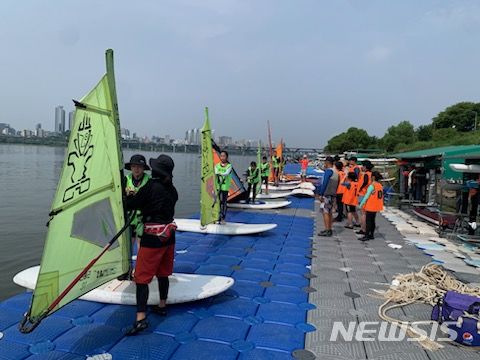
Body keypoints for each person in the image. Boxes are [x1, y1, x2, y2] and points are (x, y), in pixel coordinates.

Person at [125, 154, 178, 335]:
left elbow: (130, 204)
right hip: (169, 237)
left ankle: (141, 319)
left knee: (141, 279)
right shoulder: (172, 190)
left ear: (155, 171)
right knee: (163, 274)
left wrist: (123, 196)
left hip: (152, 238)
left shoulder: (150, 188)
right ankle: (162, 305)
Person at [119, 155, 151, 281]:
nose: (136, 169)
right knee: (127, 246)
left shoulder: (149, 181)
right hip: (128, 219)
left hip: (142, 218)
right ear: (130, 168)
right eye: (134, 166)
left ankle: (140, 271)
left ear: (143, 168)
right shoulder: (125, 180)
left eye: (139, 167)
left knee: (141, 246)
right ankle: (126, 270)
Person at [316, 156, 339, 237]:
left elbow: (324, 183)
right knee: (329, 212)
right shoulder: (336, 172)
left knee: (325, 212)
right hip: (333, 194)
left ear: (327, 162)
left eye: (324, 162)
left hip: (327, 194)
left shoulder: (328, 171)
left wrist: (320, 194)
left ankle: (327, 230)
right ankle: (329, 228)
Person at [359, 171, 384, 241]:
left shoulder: (372, 185)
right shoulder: (380, 185)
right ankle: (371, 235)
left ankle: (366, 235)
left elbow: (366, 196)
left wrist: (361, 204)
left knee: (368, 221)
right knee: (373, 221)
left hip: (370, 205)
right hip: (376, 205)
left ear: (373, 177)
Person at [356, 161, 374, 236]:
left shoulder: (366, 174)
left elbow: (365, 182)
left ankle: (363, 228)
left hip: (363, 194)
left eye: (363, 166)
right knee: (366, 213)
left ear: (365, 167)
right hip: (368, 194)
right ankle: (366, 228)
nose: (361, 167)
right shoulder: (372, 174)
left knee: (363, 213)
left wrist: (361, 188)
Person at [215, 150, 232, 224]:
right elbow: (215, 172)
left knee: (224, 202)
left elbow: (226, 173)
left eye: (224, 156)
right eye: (221, 156)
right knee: (218, 202)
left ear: (227, 157)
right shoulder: (217, 165)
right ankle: (217, 217)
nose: (222, 157)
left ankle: (223, 218)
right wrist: (219, 173)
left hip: (225, 187)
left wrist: (220, 173)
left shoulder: (229, 166)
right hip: (218, 187)